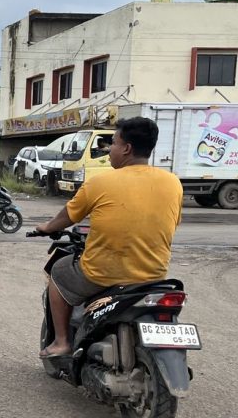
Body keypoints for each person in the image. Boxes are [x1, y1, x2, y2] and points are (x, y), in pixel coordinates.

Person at [35, 117, 183, 358]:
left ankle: (62, 341)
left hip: (103, 274)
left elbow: (66, 218)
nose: (108, 150)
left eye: (112, 143)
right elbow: (171, 223)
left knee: (59, 273)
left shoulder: (100, 182)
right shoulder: (173, 183)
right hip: (153, 276)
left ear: (126, 148)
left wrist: (46, 227)